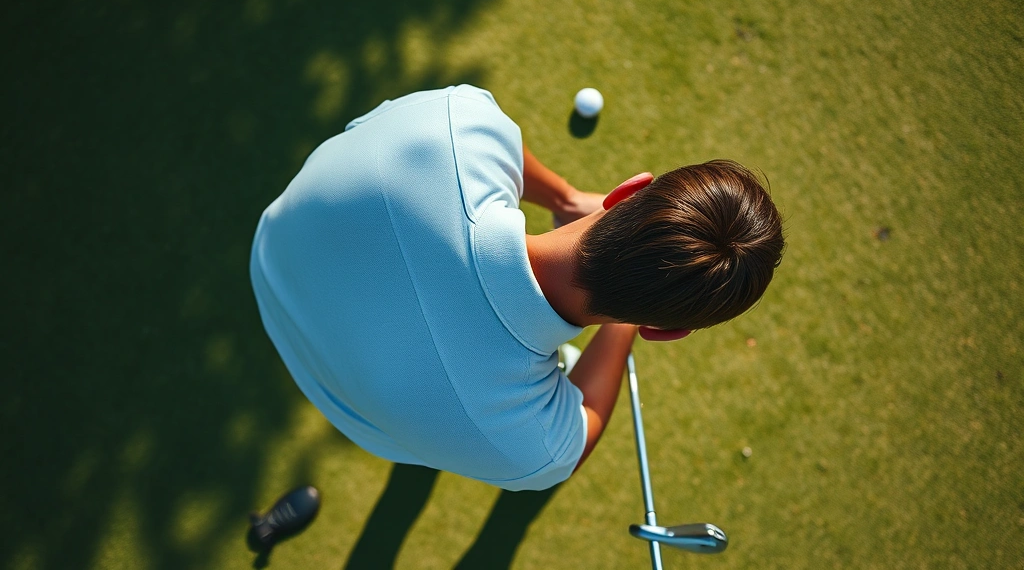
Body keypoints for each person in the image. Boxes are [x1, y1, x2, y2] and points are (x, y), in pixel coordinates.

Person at [249, 85, 784, 491]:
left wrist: (565, 197)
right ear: (666, 332)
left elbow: (492, 150)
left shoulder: (457, 125)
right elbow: (581, 430)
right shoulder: (537, 451)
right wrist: (623, 323)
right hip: (347, 400)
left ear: (627, 191)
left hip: (273, 263)